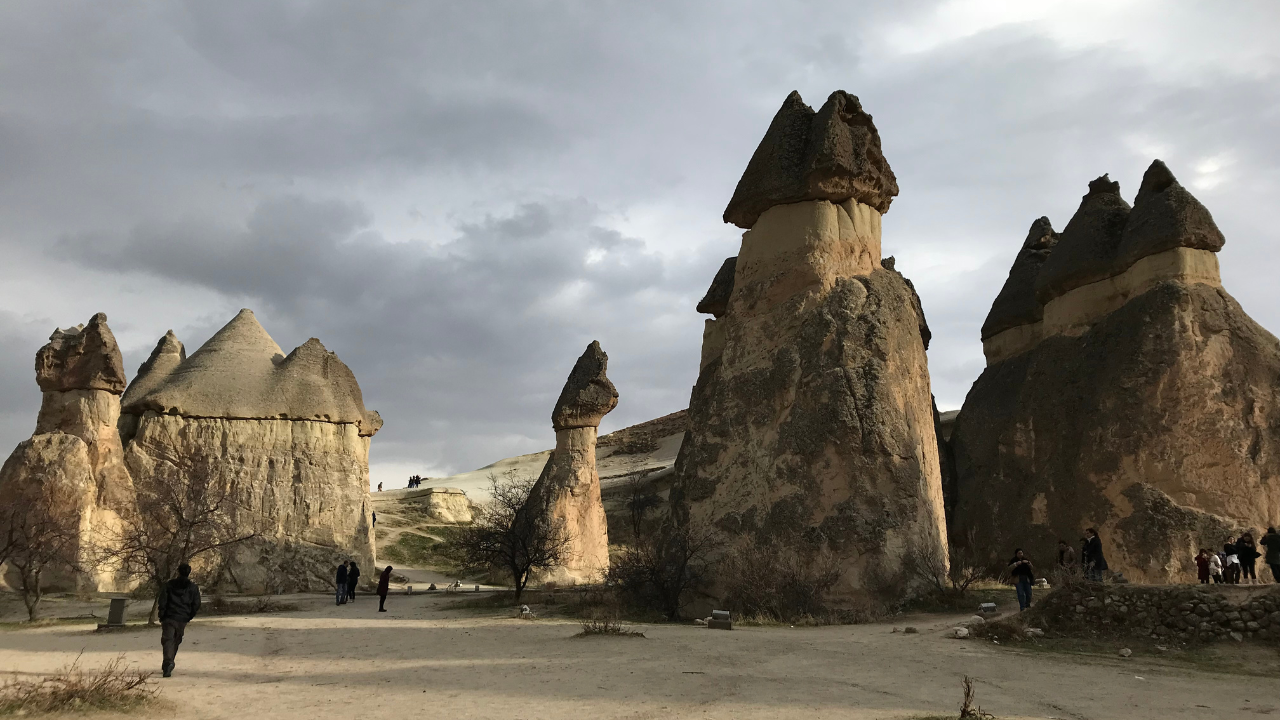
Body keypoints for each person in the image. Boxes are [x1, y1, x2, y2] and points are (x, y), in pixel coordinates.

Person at [157, 563, 202, 678]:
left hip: (169, 616)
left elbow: (162, 600)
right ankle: (169, 662)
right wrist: (189, 615)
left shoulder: (168, 585)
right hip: (182, 618)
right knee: (176, 640)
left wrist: (162, 614)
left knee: (167, 640)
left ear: (178, 571)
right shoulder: (193, 588)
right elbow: (196, 604)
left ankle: (168, 662)